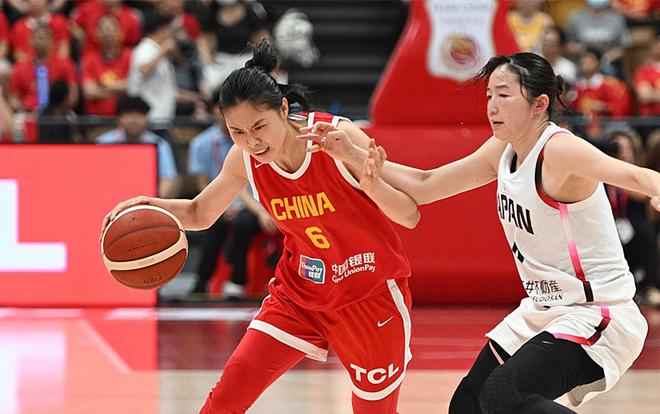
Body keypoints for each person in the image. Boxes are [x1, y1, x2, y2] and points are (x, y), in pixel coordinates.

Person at [300, 52, 656, 413]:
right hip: (542, 309)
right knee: (467, 406)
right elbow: (425, 185)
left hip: (597, 312)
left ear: (539, 104)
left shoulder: (559, 149)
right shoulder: (502, 150)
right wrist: (350, 154)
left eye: (504, 94)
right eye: (489, 95)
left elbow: (637, 176)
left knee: (504, 395)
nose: (492, 106)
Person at [101, 41, 418, 414]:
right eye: (237, 131)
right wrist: (148, 204)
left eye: (259, 127)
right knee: (224, 401)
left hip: (367, 294)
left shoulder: (337, 139)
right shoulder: (244, 158)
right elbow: (201, 212)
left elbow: (408, 206)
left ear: (283, 109)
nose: (251, 141)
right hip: (299, 294)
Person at [187, 89, 278, 299]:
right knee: (211, 223)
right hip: (221, 200)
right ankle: (202, 281)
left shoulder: (257, 140)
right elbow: (202, 184)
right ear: (213, 110)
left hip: (256, 202)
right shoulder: (201, 143)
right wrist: (220, 205)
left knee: (243, 223)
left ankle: (237, 282)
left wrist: (260, 210)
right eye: (223, 110)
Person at [96, 94, 180, 198]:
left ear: (147, 118)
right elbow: (97, 176)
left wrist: (154, 202)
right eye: (128, 114)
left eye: (140, 114)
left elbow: (167, 177)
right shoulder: (104, 143)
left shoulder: (159, 143)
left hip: (147, 199)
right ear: (119, 118)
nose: (134, 119)